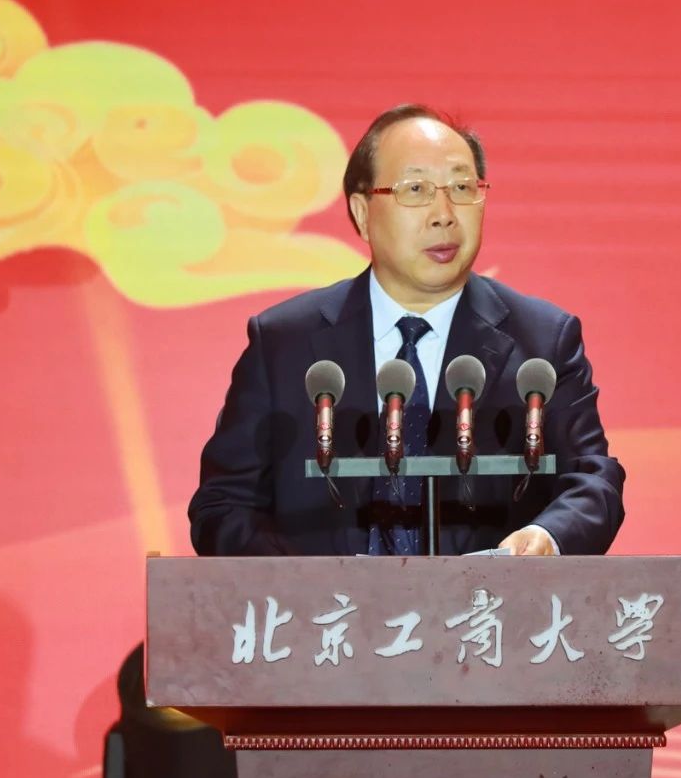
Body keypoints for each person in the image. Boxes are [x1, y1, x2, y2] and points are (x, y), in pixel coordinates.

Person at [188, 104, 624, 557]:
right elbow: (222, 507)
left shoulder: (543, 341)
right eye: (415, 189)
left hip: (486, 600)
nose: (444, 214)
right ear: (362, 212)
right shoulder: (284, 343)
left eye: (462, 188)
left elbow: (594, 482)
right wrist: (312, 578)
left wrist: (548, 537)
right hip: (324, 603)